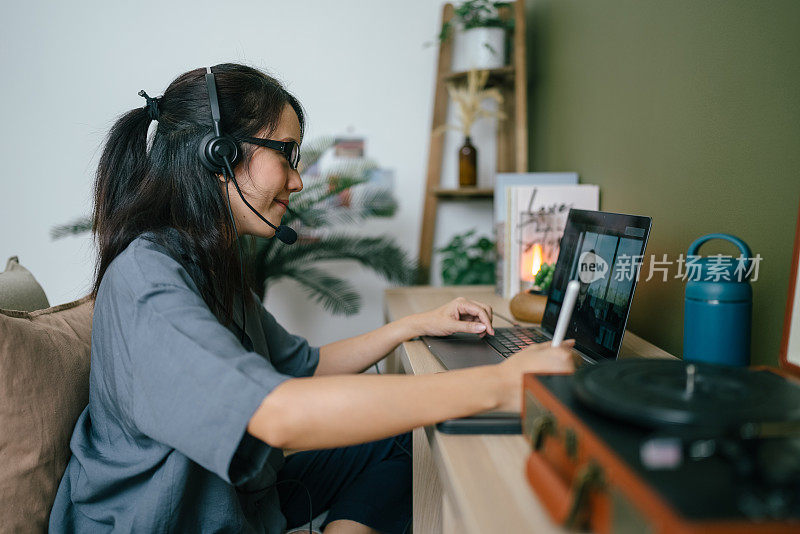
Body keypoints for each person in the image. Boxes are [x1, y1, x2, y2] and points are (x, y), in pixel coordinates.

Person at [49, 63, 574, 534]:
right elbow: (277, 414)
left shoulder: (210, 262)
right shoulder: (147, 280)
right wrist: (498, 385)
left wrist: (413, 326)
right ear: (220, 154)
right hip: (162, 521)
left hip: (235, 499)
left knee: (400, 443)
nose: (298, 181)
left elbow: (305, 367)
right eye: (286, 154)